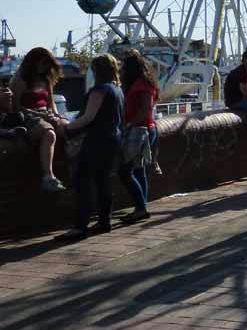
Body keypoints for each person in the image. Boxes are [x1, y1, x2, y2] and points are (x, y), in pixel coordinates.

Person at [62, 55, 124, 238]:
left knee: (83, 182)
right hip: (113, 139)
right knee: (103, 181)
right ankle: (104, 221)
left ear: (96, 71)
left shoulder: (100, 90)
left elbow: (88, 117)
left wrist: (66, 127)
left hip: (97, 141)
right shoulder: (117, 89)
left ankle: (80, 226)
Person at [10, 47, 67, 192]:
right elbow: (15, 108)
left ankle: (72, 168)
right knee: (49, 133)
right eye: (43, 64)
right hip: (29, 116)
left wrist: (56, 115)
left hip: (45, 113)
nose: (45, 67)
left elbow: (51, 102)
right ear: (33, 63)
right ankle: (48, 177)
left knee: (68, 128)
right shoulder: (20, 80)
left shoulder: (45, 79)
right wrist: (41, 115)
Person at [119, 50, 159, 222]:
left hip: (140, 130)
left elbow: (145, 110)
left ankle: (141, 208)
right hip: (144, 128)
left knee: (124, 171)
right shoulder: (142, 82)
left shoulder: (143, 85)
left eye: (123, 67)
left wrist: (128, 124)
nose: (121, 70)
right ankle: (141, 206)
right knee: (139, 170)